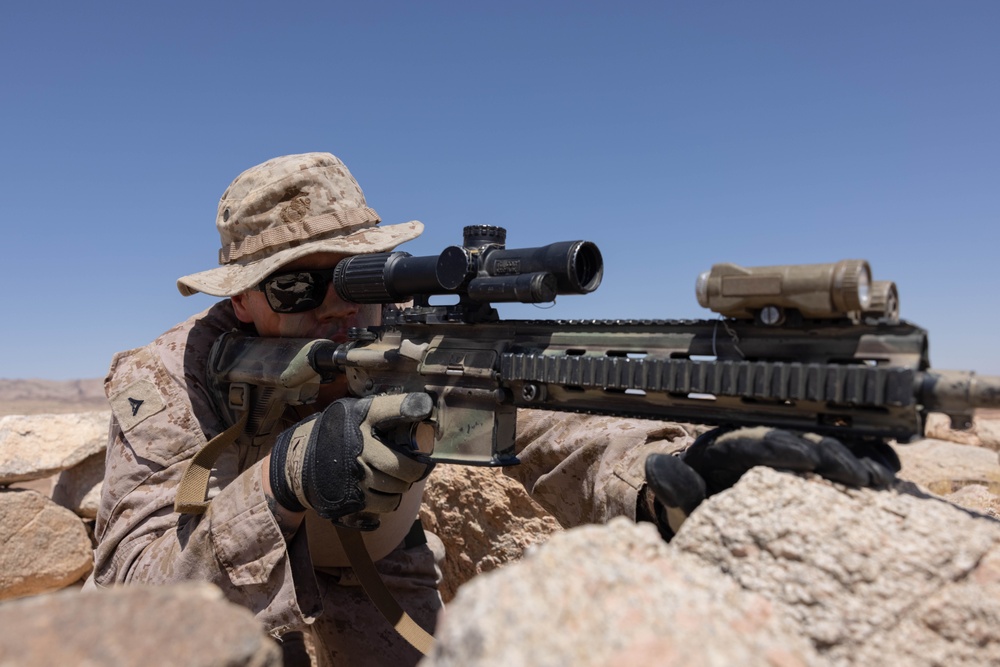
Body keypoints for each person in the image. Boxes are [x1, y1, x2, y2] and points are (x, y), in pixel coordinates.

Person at [89, 152, 898, 666]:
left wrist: (666, 474)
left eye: (358, 275)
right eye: (300, 284)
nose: (341, 307)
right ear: (246, 299)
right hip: (223, 565)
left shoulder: (400, 340)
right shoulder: (170, 377)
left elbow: (545, 418)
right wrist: (282, 480)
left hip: (372, 560)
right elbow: (134, 594)